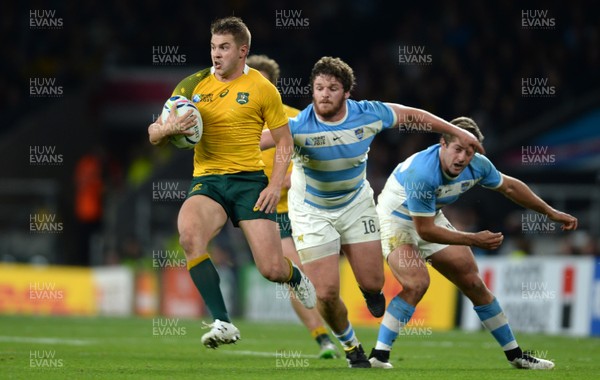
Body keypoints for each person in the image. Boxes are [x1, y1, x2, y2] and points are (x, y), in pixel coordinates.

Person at [262, 57, 484, 367]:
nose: (324, 94)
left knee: (373, 283)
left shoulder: (369, 113)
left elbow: (413, 116)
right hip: (312, 212)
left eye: (333, 88)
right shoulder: (298, 126)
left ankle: (369, 292)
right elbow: (254, 143)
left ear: (347, 92)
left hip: (356, 205)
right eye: (319, 88)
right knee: (325, 292)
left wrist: (458, 133)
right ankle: (352, 348)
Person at [147, 16, 316, 349]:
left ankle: (295, 276)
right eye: (213, 47)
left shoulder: (262, 89)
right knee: (190, 236)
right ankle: (223, 322)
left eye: (224, 47)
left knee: (271, 269)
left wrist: (273, 184)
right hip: (208, 181)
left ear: (242, 51)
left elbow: (284, 141)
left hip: (249, 182)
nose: (216, 54)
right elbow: (154, 133)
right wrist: (169, 129)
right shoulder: (192, 85)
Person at [370, 116, 578, 369]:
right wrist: (473, 239)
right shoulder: (422, 173)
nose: (462, 158)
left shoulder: (477, 165)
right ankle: (378, 356)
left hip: (430, 217)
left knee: (473, 282)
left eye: (469, 152)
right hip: (396, 221)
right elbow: (425, 231)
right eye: (457, 149)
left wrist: (551, 213)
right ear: (443, 143)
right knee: (417, 283)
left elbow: (511, 187)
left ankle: (516, 356)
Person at [247, 54, 340, 359]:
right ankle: (322, 338)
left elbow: (320, 159)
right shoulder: (237, 123)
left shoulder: (294, 119)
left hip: (300, 207)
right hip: (267, 212)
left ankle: (340, 332)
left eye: (261, 82)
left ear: (272, 86)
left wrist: (290, 178)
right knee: (291, 273)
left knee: (317, 278)